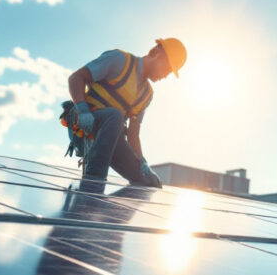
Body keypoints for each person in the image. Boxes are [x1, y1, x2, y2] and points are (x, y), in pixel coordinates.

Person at [63, 38, 187, 187]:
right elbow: (75, 78)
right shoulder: (119, 60)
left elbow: (133, 134)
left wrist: (142, 162)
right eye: (166, 68)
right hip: (84, 124)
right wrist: (82, 110)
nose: (165, 75)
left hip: (110, 136)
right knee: (115, 115)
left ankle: (104, 201)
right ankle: (93, 180)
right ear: (155, 52)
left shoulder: (147, 95)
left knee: (148, 181)